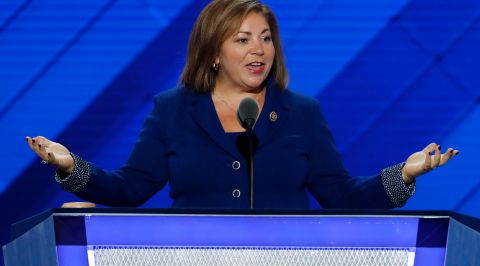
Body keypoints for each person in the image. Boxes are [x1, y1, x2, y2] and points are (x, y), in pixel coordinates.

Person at [25, 0, 458, 209]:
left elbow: (340, 195)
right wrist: (70, 166)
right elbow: (132, 188)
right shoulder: (172, 109)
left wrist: (404, 174)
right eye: (243, 39)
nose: (259, 51)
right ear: (214, 51)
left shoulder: (300, 113)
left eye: (266, 38)